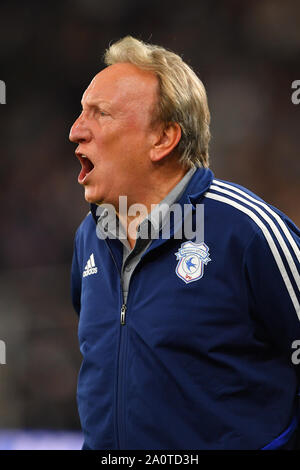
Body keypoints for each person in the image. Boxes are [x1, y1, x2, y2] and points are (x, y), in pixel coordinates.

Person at [69, 36, 300, 450]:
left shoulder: (248, 232)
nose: (75, 131)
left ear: (163, 139)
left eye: (100, 114)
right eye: (82, 112)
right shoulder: (89, 237)